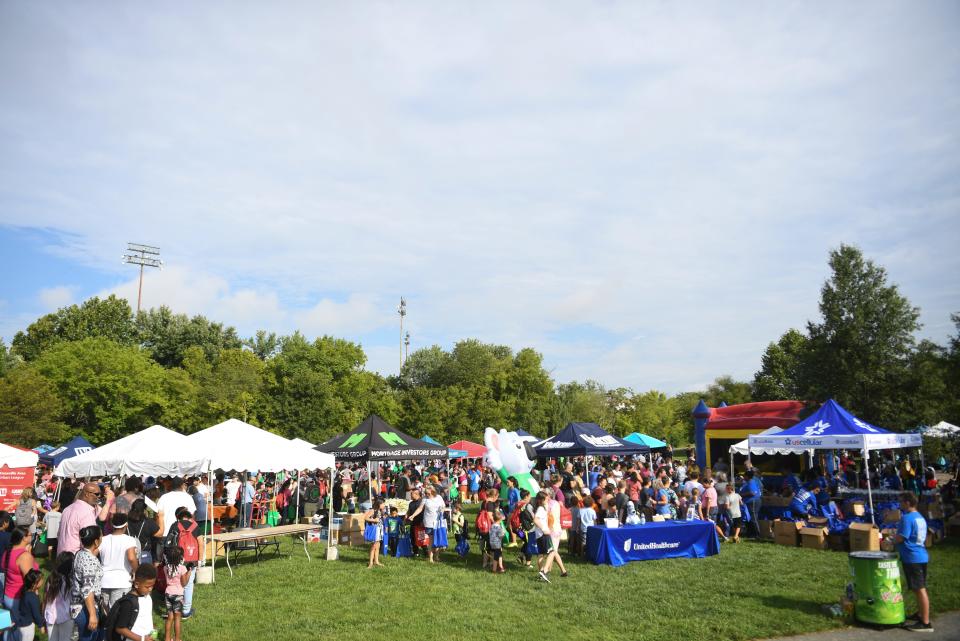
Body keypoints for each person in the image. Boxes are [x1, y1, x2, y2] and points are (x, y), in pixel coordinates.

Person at [896, 492, 933, 633]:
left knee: (919, 589)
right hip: (921, 556)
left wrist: (890, 540)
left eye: (901, 502)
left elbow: (901, 537)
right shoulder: (920, 517)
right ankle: (920, 614)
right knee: (919, 588)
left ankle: (925, 623)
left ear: (907, 502)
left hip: (912, 558)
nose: (900, 504)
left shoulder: (907, 518)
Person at [104, 563, 156, 641]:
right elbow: (120, 628)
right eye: (147, 587)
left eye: (152, 586)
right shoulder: (128, 603)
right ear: (137, 584)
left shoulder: (148, 597)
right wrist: (141, 639)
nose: (150, 589)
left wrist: (152, 627)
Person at [70, 525, 104, 641]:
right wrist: (93, 615)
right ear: (96, 541)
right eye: (101, 536)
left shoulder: (80, 553)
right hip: (86, 609)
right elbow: (87, 589)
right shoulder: (90, 561)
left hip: (77, 606)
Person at [164, 508, 199, 620]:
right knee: (188, 585)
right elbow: (201, 543)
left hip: (176, 560)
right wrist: (200, 560)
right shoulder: (195, 526)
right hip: (191, 560)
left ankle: (173, 609)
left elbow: (168, 543)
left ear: (178, 517)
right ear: (189, 517)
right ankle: (186, 611)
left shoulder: (175, 526)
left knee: (174, 584)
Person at [98, 513, 139, 610]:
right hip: (122, 581)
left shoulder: (103, 540)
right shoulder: (130, 540)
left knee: (104, 610)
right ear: (126, 525)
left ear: (112, 525)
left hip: (104, 580)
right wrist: (136, 571)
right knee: (117, 611)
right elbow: (132, 558)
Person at [3, 527, 39, 637]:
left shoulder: (7, 552)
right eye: (30, 535)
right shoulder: (24, 556)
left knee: (7, 628)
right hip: (19, 599)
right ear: (24, 538)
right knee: (22, 632)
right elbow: (31, 580)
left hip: (7, 596)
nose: (31, 536)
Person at [59, 483, 112, 555]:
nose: (99, 496)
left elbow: (59, 534)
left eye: (100, 494)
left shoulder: (67, 509)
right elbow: (89, 545)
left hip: (61, 555)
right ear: (87, 494)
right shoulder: (86, 513)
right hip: (75, 557)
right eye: (97, 494)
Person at [532, 492, 565, 583]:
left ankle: (541, 573)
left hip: (539, 535)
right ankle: (544, 571)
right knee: (552, 552)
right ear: (541, 500)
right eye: (546, 499)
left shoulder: (540, 508)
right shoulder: (541, 509)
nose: (548, 500)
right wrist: (544, 529)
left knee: (541, 554)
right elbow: (535, 519)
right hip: (544, 534)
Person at [43, 552, 75, 641]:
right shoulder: (70, 581)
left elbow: (45, 599)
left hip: (50, 616)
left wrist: (43, 616)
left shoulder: (50, 578)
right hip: (66, 616)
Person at [161, 546, 190, 641]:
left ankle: (167, 639)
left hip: (168, 593)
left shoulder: (165, 568)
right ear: (180, 557)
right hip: (178, 595)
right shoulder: (182, 568)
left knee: (169, 618)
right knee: (177, 618)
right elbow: (184, 583)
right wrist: (188, 573)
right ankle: (177, 639)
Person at [126, 501, 159, 567]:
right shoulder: (148, 522)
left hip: (128, 554)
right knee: (145, 575)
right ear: (144, 510)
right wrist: (160, 516)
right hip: (144, 554)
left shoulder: (125, 521)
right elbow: (159, 534)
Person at [15, 568, 44, 641]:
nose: (43, 581)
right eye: (41, 580)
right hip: (27, 627)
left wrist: (36, 594)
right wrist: (41, 626)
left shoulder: (25, 591)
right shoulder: (33, 597)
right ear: (34, 584)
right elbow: (36, 614)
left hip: (21, 623)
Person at [361, 499, 384, 569]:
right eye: (383, 504)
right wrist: (374, 520)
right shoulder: (372, 510)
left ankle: (376, 561)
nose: (384, 505)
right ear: (378, 504)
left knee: (378, 546)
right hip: (375, 530)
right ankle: (371, 563)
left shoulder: (379, 511)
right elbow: (365, 518)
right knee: (373, 546)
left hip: (379, 529)